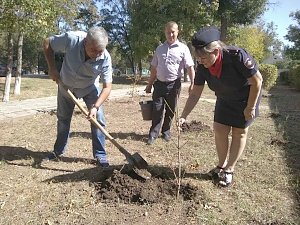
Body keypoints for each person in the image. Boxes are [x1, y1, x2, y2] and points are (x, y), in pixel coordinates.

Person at [179, 26, 263, 187]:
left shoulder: (236, 57)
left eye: (203, 57)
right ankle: (221, 165)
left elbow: (257, 81)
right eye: (198, 58)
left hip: (245, 98)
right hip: (224, 99)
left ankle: (229, 169)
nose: (200, 61)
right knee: (219, 129)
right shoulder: (202, 66)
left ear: (216, 52)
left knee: (239, 132)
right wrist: (184, 115)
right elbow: (195, 93)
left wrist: (250, 107)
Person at [42, 27, 113, 168]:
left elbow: (107, 87)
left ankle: (100, 155)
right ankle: (58, 151)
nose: (97, 54)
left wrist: (95, 107)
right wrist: (52, 68)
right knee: (63, 119)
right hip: (65, 86)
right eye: (94, 50)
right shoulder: (72, 39)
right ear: (85, 41)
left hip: (89, 88)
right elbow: (47, 43)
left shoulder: (105, 57)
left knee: (98, 118)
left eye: (100, 50)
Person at [145, 21, 195, 145]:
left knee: (171, 110)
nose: (170, 34)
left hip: (174, 85)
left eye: (173, 32)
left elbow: (190, 67)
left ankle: (166, 131)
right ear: (165, 33)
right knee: (157, 109)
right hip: (159, 84)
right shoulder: (159, 49)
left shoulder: (183, 48)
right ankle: (153, 134)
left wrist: (193, 83)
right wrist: (150, 84)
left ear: (177, 32)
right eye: (168, 32)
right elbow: (154, 69)